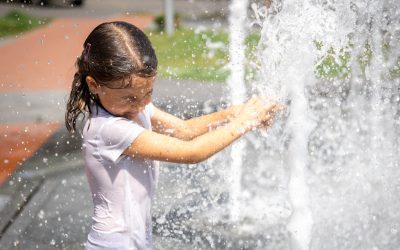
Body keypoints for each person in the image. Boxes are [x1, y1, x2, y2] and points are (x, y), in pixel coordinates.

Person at [65, 21, 282, 250]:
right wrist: (246, 121)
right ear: (94, 85)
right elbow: (192, 152)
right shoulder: (107, 129)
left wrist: (235, 113)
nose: (140, 105)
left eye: (148, 93)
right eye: (129, 98)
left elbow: (184, 131)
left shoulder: (133, 108)